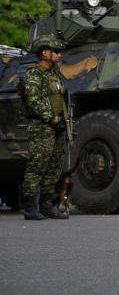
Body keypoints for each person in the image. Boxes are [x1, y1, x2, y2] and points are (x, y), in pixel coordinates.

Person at [22, 35, 69, 220]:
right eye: (56, 51)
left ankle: (47, 205)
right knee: (37, 166)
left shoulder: (53, 74)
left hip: (56, 125)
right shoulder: (34, 74)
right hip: (42, 126)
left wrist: (64, 122)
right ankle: (30, 207)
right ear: (44, 52)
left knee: (54, 167)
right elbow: (34, 101)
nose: (59, 55)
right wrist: (51, 118)